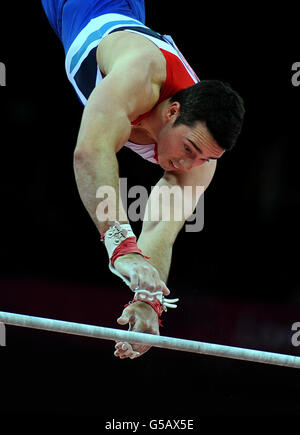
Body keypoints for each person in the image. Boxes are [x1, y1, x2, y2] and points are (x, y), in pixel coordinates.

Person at [41, 0, 245, 359]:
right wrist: (121, 248)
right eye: (189, 148)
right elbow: (90, 152)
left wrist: (149, 303)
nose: (188, 163)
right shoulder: (141, 74)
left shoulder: (200, 161)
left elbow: (160, 232)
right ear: (171, 111)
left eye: (205, 158)